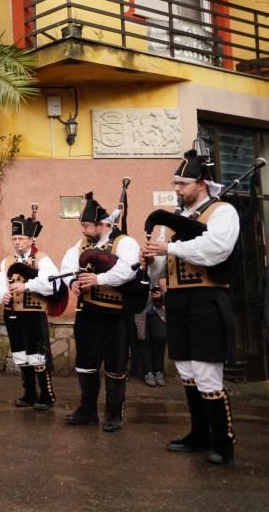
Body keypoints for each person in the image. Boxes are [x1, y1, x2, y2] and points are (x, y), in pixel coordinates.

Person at [144, 150, 241, 465]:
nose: (177, 189)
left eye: (182, 183)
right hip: (177, 300)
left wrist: (169, 246)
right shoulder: (180, 220)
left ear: (201, 182)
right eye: (175, 183)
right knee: (186, 370)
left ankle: (224, 442)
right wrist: (152, 261)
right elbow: (161, 268)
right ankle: (199, 434)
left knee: (206, 371)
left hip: (207, 299)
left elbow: (216, 249)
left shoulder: (223, 211)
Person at [59, 192, 141, 432]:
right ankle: (87, 411)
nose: (82, 230)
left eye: (86, 225)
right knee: (85, 363)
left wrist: (98, 278)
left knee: (115, 365)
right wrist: (71, 283)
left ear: (103, 224)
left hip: (115, 315)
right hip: (86, 313)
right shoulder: (81, 245)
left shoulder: (124, 242)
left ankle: (114, 415)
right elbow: (67, 266)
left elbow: (129, 271)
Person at [0, 213, 59, 409]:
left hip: (34, 313)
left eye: (21, 238)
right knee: (21, 355)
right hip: (13, 314)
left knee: (37, 356)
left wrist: (27, 286)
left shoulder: (42, 259)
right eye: (14, 238)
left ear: (31, 239)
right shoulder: (6, 262)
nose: (17, 242)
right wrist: (3, 295)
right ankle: (29, 393)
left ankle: (47, 396)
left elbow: (52, 283)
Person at [134, 278, 167, 388]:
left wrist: (160, 296)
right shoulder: (137, 273)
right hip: (140, 312)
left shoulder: (161, 273)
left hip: (158, 311)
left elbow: (172, 295)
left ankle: (158, 370)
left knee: (160, 338)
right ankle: (148, 372)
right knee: (143, 340)